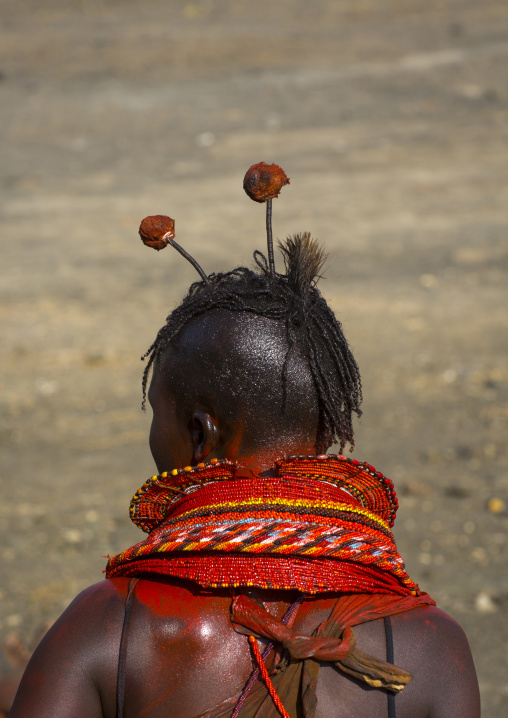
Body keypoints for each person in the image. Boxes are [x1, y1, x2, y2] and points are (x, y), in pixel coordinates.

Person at [9, 165, 480, 718]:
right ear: (327, 430)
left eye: (156, 413)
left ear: (200, 434)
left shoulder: (109, 627)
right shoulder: (430, 643)